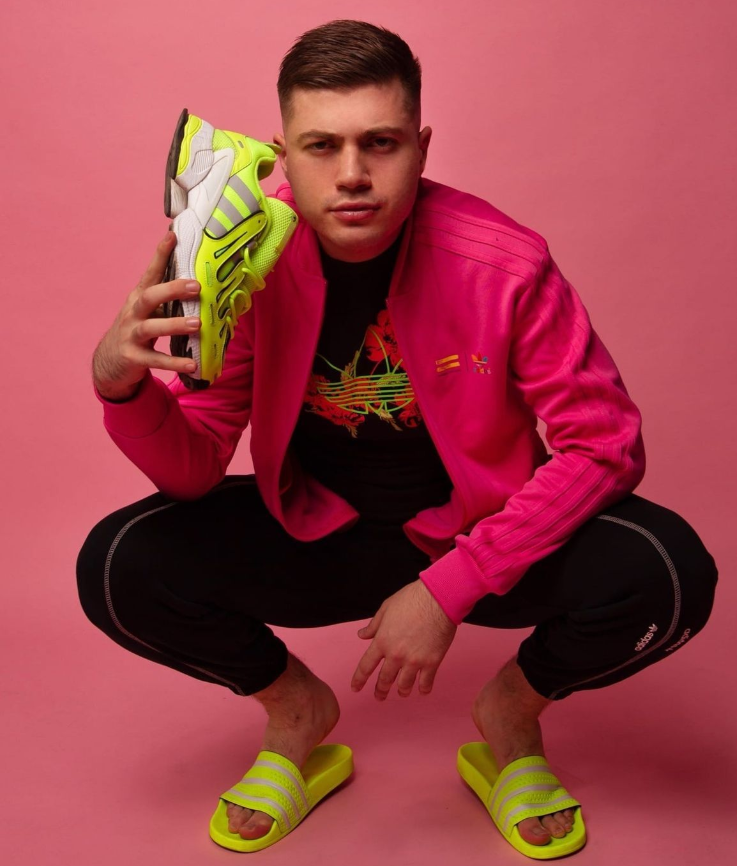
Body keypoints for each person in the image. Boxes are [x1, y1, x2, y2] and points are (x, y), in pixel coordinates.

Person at [77, 19, 718, 859]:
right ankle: (296, 714)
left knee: (672, 570)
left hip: (478, 535)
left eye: (378, 143)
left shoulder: (504, 263)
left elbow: (605, 445)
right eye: (322, 146)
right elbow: (195, 465)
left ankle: (510, 718)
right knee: (115, 564)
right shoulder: (246, 258)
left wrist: (453, 585)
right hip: (316, 532)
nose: (351, 174)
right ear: (283, 154)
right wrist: (120, 388)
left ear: (420, 147)